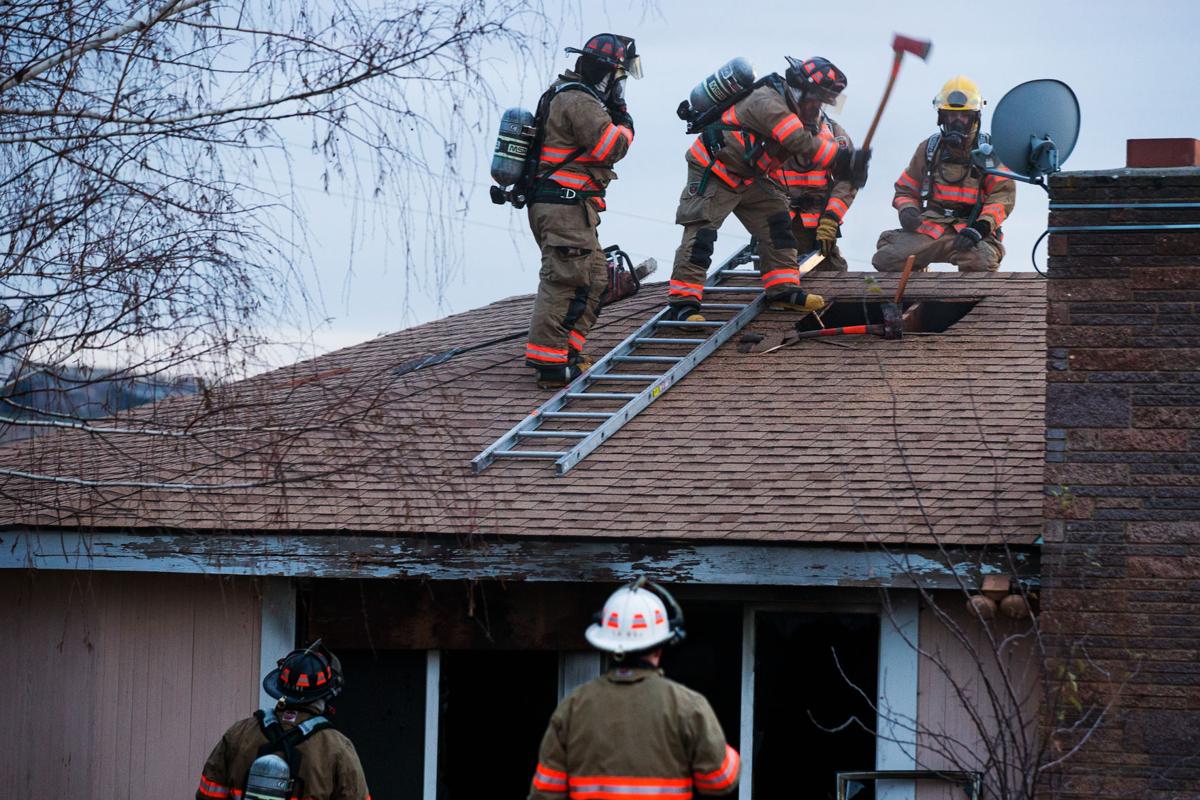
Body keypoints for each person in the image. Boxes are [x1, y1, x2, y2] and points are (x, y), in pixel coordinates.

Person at [667, 55, 871, 322]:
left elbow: (812, 141)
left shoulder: (798, 110)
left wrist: (849, 166)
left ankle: (784, 290)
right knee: (701, 237)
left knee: (778, 224)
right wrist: (845, 160)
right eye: (817, 100)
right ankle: (683, 305)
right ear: (802, 91)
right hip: (715, 171)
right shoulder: (768, 102)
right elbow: (798, 141)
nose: (818, 107)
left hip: (749, 176)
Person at [528, 579, 740, 800]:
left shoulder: (573, 707)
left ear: (607, 645)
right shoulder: (688, 706)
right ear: (660, 647)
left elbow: (546, 793)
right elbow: (719, 781)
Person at [524, 34, 640, 389]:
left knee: (595, 278)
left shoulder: (573, 95)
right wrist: (625, 122)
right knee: (565, 280)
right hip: (564, 205)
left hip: (573, 206)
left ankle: (567, 352)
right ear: (606, 73)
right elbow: (610, 147)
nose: (619, 88)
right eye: (618, 79)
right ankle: (550, 365)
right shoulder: (578, 100)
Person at [872, 75, 1015, 272]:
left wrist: (979, 229)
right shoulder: (929, 148)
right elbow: (906, 189)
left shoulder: (989, 152)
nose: (957, 121)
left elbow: (1002, 198)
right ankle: (917, 280)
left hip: (970, 232)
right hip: (931, 230)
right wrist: (908, 210)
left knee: (982, 262)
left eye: (963, 115)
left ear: (975, 117)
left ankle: (963, 300)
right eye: (951, 115)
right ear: (942, 117)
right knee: (886, 258)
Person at [196, 640, 370, 800]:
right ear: (325, 694)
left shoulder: (238, 734)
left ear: (279, 687)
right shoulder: (337, 748)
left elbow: (207, 795)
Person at [770, 57, 857, 272]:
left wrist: (831, 218)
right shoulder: (773, 127)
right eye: (814, 99)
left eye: (821, 101)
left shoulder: (835, 134)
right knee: (778, 284)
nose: (815, 106)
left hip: (818, 229)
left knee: (834, 281)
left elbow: (848, 180)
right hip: (777, 226)